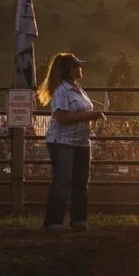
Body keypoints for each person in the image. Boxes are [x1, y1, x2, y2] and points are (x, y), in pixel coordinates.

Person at [37, 52, 103, 231]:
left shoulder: (77, 89)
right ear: (68, 70)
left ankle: (78, 220)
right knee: (63, 181)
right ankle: (55, 221)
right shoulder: (62, 91)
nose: (79, 68)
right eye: (76, 65)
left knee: (80, 182)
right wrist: (89, 116)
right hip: (63, 141)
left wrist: (89, 118)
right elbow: (62, 118)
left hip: (80, 141)